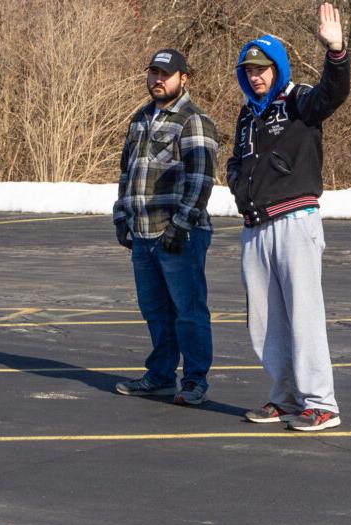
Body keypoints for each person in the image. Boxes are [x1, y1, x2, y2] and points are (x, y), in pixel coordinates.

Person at [226, 3, 350, 431]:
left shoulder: (298, 100)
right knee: (264, 320)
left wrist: (336, 52)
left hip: (295, 221)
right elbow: (237, 161)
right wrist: (237, 185)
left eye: (262, 68)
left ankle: (322, 403)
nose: (256, 75)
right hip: (255, 226)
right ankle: (285, 397)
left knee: (304, 314)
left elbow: (332, 95)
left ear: (276, 68)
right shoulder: (248, 114)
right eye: (249, 70)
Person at [112, 49, 218, 406]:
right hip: (142, 234)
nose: (158, 80)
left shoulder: (193, 120)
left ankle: (194, 380)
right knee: (155, 310)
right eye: (154, 73)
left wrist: (181, 224)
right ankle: (159, 376)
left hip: (179, 235)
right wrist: (120, 215)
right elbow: (127, 172)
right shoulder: (141, 118)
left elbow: (202, 179)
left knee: (188, 311)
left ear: (183, 78)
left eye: (166, 74)